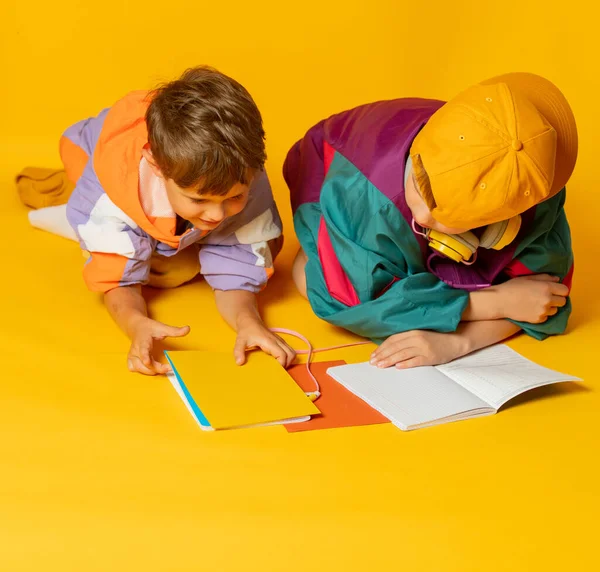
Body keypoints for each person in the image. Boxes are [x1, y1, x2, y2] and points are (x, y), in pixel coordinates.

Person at [283, 73, 576, 369]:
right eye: (421, 185)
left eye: (450, 219)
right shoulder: (363, 194)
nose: (422, 216)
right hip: (350, 175)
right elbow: (350, 304)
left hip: (391, 199)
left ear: (505, 223)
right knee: (313, 279)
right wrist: (493, 302)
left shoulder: (529, 183)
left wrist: (457, 342)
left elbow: (542, 300)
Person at [18, 66, 296, 374]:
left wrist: (249, 323)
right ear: (158, 167)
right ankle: (65, 210)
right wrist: (135, 323)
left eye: (233, 197)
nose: (217, 214)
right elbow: (117, 275)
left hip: (173, 191)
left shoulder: (239, 170)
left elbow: (238, 262)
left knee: (193, 256)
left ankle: (174, 228)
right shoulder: (112, 188)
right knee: (151, 257)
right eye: (199, 199)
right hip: (86, 150)